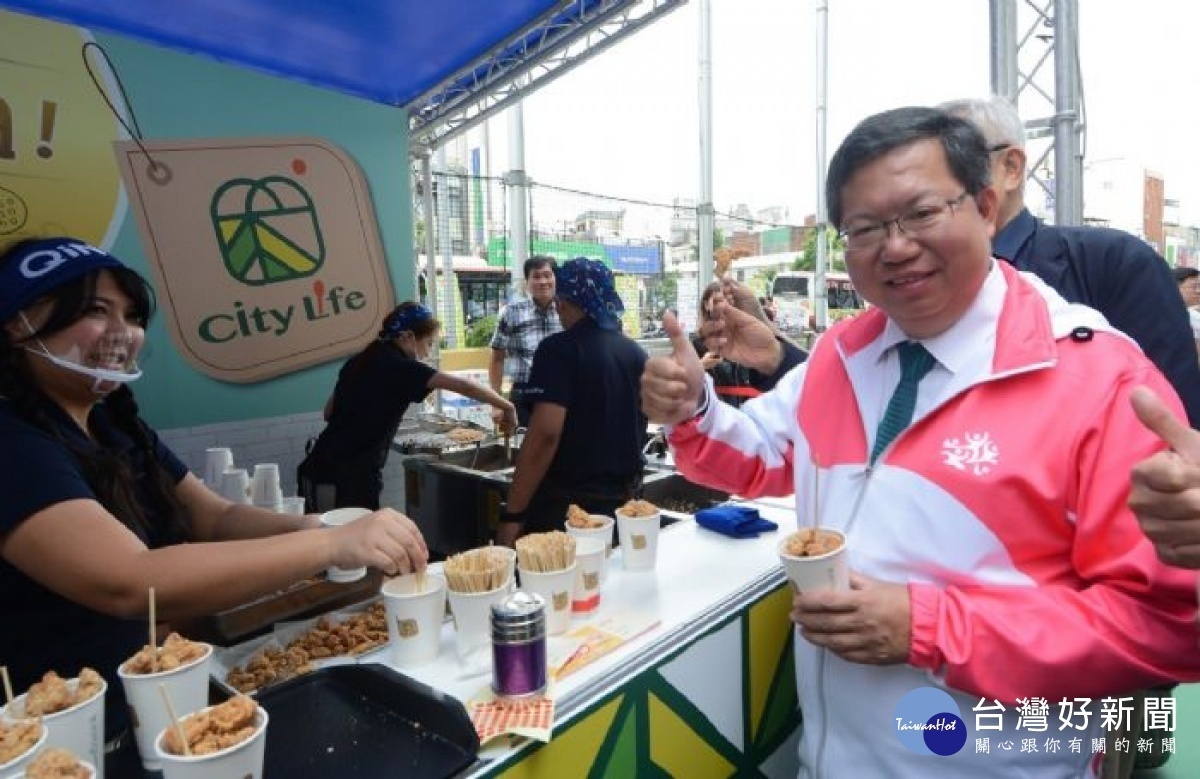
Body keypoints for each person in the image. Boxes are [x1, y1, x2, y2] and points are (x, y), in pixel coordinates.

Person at [640, 107, 1200, 778]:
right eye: (866, 227)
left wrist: (929, 628)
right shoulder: (839, 356)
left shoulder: (1098, 377)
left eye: (922, 213)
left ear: (988, 206)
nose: (895, 246)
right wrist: (692, 406)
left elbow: (1165, 627)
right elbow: (763, 455)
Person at [0, 237, 429, 775]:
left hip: (151, 710)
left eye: (131, 316)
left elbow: (214, 516)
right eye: (94, 311)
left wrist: (316, 523)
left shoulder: (113, 423)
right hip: (61, 743)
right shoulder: (12, 441)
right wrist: (327, 544)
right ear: (18, 323)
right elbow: (128, 579)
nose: (122, 333)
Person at [940, 96, 1200, 427]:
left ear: (1010, 168)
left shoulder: (1114, 263)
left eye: (952, 164)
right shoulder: (917, 282)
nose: (933, 185)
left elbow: (1173, 422)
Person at [299, 302, 517, 511]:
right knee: (350, 544)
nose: (427, 353)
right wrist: (506, 405)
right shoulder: (402, 367)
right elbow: (465, 386)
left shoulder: (359, 361)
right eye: (429, 343)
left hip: (317, 469)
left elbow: (329, 412)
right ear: (408, 337)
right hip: (348, 479)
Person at [497, 257, 647, 546]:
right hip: (622, 507)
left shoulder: (558, 350)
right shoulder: (635, 353)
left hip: (568, 512)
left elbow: (544, 436)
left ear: (563, 301)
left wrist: (513, 516)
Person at [489, 255, 561, 427]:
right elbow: (497, 359)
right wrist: (496, 403)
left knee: (562, 449)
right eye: (536, 276)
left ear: (555, 278)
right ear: (527, 282)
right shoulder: (512, 313)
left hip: (561, 393)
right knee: (525, 448)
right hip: (524, 396)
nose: (543, 281)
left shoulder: (567, 310)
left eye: (547, 275)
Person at [694, 282, 757, 408]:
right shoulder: (698, 343)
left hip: (745, 413)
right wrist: (701, 366)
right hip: (714, 415)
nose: (724, 307)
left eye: (730, 302)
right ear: (707, 305)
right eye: (717, 301)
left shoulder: (746, 339)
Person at [1171, 265, 1200, 356]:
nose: (1198, 291)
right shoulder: (1166, 316)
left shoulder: (1194, 316)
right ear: (1177, 287)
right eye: (1194, 287)